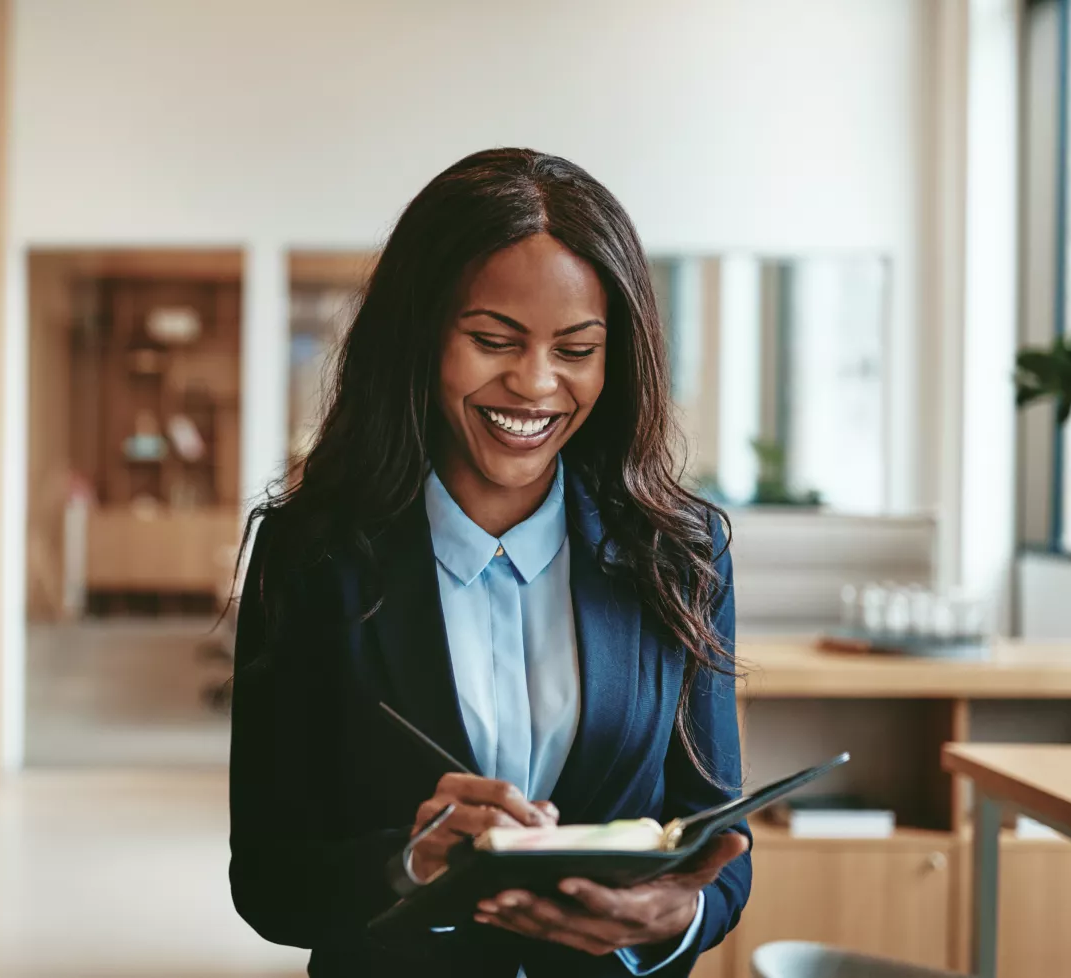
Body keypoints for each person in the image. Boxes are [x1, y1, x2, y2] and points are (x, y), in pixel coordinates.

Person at [229, 148, 749, 978]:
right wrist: (408, 865)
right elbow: (266, 880)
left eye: (576, 350)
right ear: (421, 339)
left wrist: (672, 914)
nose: (536, 384)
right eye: (492, 340)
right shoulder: (311, 558)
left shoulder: (681, 557)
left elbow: (720, 839)